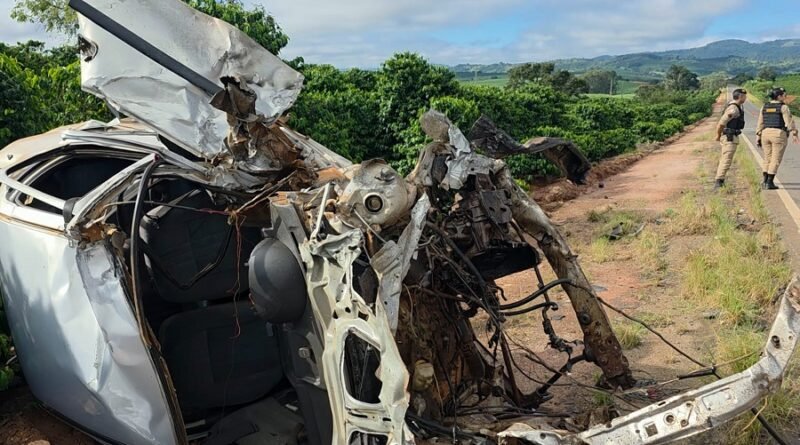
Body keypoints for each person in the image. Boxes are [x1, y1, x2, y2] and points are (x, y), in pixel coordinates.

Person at [756, 87, 799, 189]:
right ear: (779, 96)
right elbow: (788, 122)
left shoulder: (765, 106)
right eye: (784, 95)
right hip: (778, 134)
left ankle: (765, 181)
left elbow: (760, 122)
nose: (785, 97)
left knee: (767, 158)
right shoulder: (783, 107)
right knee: (776, 159)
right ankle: (770, 182)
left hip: (765, 133)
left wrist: (758, 135)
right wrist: (794, 132)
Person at [714, 88, 747, 189]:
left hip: (730, 136)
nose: (746, 98)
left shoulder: (736, 107)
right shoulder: (734, 109)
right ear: (740, 96)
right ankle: (719, 181)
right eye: (744, 96)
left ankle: (720, 179)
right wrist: (718, 135)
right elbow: (721, 123)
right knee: (726, 159)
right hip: (729, 137)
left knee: (725, 158)